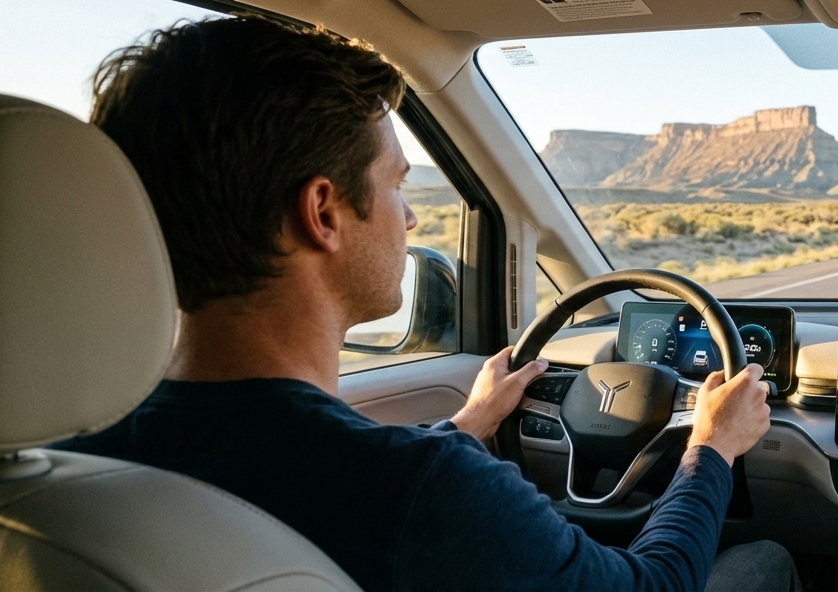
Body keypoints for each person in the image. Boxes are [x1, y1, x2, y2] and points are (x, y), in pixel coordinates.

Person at [49, 16, 797, 592]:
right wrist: (712, 448)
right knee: (763, 559)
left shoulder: (70, 463)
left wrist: (468, 426)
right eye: (396, 184)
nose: (408, 218)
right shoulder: (420, 489)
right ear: (323, 213)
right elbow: (655, 583)